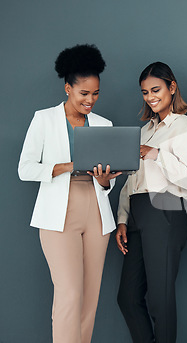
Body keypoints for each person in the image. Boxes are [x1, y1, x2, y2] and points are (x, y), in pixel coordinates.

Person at [18, 44, 120, 343]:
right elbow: (25, 169)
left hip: (96, 211)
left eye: (95, 93)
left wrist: (104, 180)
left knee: (89, 297)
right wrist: (65, 166)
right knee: (69, 293)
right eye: (84, 94)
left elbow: (107, 185)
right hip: (58, 211)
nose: (90, 100)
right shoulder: (44, 119)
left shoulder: (104, 124)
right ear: (67, 88)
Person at [115, 61, 187, 343]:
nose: (150, 97)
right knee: (127, 298)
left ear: (172, 87)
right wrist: (122, 219)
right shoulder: (144, 131)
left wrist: (156, 155)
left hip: (166, 212)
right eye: (144, 92)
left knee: (159, 298)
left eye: (156, 89)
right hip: (139, 213)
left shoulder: (185, 126)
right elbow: (131, 181)